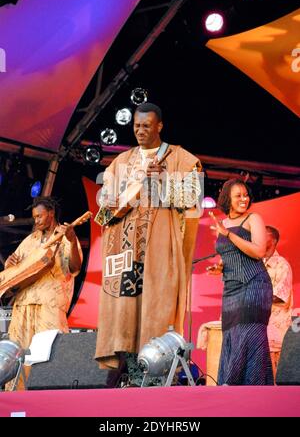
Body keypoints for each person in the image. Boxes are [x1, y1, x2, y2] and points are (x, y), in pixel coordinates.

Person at [94, 102, 202, 373]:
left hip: (159, 251)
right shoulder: (121, 161)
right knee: (126, 314)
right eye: (136, 126)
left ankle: (155, 374)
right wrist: (126, 197)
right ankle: (128, 374)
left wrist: (162, 182)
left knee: (157, 310)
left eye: (146, 126)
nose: (140, 131)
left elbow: (194, 199)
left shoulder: (180, 158)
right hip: (125, 252)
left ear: (159, 126)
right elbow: (104, 211)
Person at [208, 178, 273, 385]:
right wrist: (219, 267)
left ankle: (251, 388)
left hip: (254, 284)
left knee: (249, 333)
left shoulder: (253, 218)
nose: (244, 199)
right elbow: (228, 256)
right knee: (232, 335)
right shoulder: (223, 224)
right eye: (238, 196)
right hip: (231, 289)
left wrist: (228, 235)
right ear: (228, 198)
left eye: (245, 195)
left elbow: (258, 251)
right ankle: (231, 388)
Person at [5, 196, 83, 351]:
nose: (36, 221)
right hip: (23, 304)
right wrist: (9, 264)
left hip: (49, 303)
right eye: (34, 217)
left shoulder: (66, 236)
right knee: (19, 356)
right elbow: (15, 274)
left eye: (39, 216)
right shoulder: (29, 240)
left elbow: (75, 268)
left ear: (51, 213)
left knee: (50, 354)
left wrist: (73, 241)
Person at [264, 226, 293, 380]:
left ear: (273, 240)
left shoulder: (281, 265)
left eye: (263, 234)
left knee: (273, 380)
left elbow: (280, 296)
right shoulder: (257, 263)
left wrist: (253, 297)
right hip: (259, 332)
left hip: (273, 334)